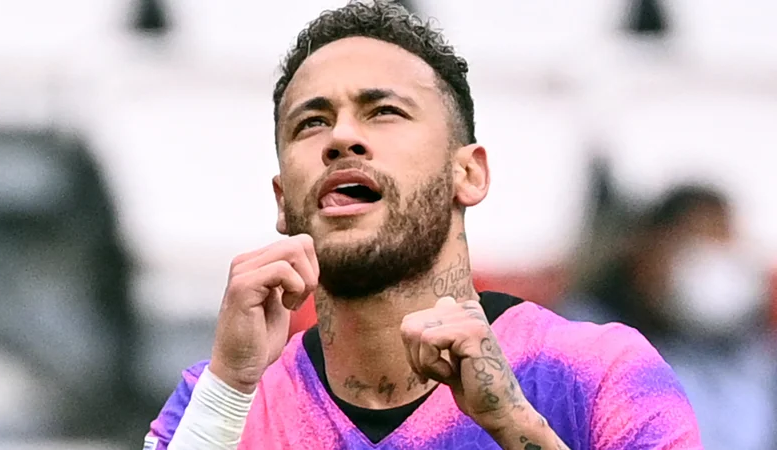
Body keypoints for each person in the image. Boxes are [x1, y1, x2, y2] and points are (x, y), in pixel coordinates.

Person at [143, 2, 702, 449]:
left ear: (469, 173)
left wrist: (512, 425)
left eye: (384, 111)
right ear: (283, 199)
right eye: (311, 122)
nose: (340, 138)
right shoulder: (218, 399)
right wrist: (228, 394)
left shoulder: (598, 373)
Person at [559, 185, 776, 449]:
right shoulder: (585, 339)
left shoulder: (753, 355)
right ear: (648, 254)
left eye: (723, 245)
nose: (713, 272)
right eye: (698, 246)